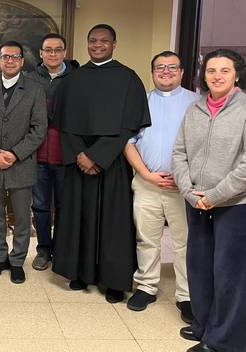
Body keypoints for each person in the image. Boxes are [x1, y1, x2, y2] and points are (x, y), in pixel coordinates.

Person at [172, 49, 246, 352]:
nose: (216, 76)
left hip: (240, 205)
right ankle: (204, 326)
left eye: (224, 70)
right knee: (201, 268)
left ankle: (225, 343)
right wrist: (190, 192)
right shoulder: (195, 109)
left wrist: (215, 195)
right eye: (211, 70)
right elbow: (179, 154)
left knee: (232, 275)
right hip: (198, 202)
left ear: (238, 74)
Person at [52, 24, 151, 303]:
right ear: (87, 43)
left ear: (114, 44)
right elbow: (63, 125)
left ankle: (114, 280)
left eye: (104, 41)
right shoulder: (72, 80)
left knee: (114, 223)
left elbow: (129, 126)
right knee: (78, 218)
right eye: (93, 41)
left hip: (112, 163)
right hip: (78, 162)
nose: (98, 45)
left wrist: (97, 156)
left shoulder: (128, 78)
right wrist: (80, 155)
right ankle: (79, 273)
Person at [123, 51, 199, 323]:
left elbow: (204, 145)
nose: (165, 72)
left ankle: (187, 295)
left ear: (181, 72)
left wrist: (185, 178)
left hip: (184, 187)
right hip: (147, 183)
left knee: (185, 242)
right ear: (152, 71)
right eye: (159, 68)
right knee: (147, 238)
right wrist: (146, 174)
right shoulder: (139, 102)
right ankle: (146, 286)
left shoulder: (197, 102)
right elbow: (128, 142)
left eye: (171, 67)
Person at [0, 40, 47, 284]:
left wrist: (14, 154)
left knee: (22, 218)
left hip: (21, 164)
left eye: (15, 57)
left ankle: (17, 261)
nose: (9, 61)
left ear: (22, 61)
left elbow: (39, 129)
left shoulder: (35, 89)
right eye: (5, 57)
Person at [24, 33, 79, 271]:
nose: (53, 54)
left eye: (58, 50)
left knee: (67, 205)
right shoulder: (29, 79)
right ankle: (44, 249)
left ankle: (64, 251)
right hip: (37, 156)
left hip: (67, 156)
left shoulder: (77, 77)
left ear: (65, 52)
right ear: (41, 53)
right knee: (41, 205)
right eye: (48, 50)